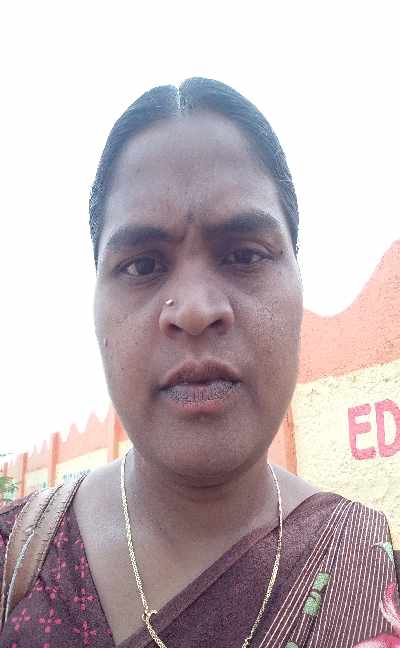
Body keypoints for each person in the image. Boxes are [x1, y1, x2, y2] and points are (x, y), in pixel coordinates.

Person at [1, 78, 399, 648]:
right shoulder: (17, 562)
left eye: (244, 255)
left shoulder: (363, 568)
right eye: (142, 265)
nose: (193, 311)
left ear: (297, 279)